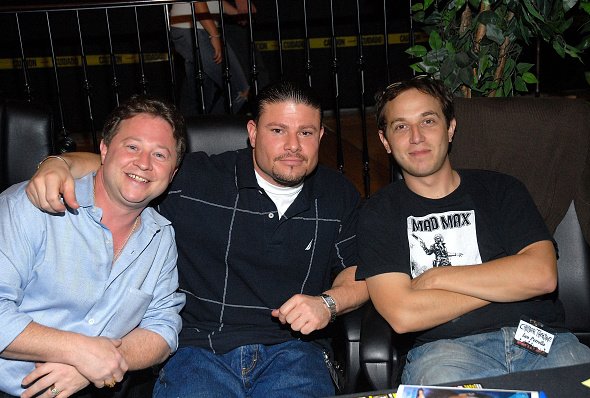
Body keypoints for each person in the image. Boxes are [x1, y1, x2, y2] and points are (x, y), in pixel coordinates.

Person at [26, 81, 369, 397]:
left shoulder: (337, 194)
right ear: (253, 132)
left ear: (321, 136)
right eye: (277, 130)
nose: (293, 145)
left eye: (305, 132)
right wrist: (59, 163)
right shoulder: (198, 178)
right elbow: (124, 169)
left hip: (296, 352)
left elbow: (362, 272)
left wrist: (328, 304)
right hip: (199, 350)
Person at [356, 76, 590, 385]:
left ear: (450, 128)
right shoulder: (379, 212)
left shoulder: (502, 189)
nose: (416, 137)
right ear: (385, 140)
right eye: (401, 126)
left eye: (428, 121)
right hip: (447, 351)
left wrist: (438, 278)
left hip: (541, 339)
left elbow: (541, 276)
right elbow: (403, 315)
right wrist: (504, 283)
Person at [0, 95, 186, 398]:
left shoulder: (160, 238)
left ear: (173, 172)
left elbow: (164, 325)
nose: (143, 163)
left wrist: (101, 362)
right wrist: (80, 351)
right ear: (103, 149)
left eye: (160, 155)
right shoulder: (30, 206)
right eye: (132, 147)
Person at [170, 1, 250, 115]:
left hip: (193, 28)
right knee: (239, 90)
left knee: (200, 95)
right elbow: (198, 3)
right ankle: (210, 129)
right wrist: (214, 34)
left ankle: (193, 129)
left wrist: (236, 13)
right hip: (196, 29)